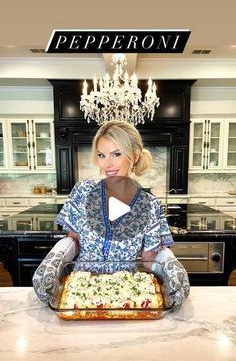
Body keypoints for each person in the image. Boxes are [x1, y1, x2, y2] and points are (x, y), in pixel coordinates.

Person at [33, 120, 190, 308]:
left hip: (127, 295)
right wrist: (56, 257)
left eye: (116, 154)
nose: (108, 164)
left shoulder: (150, 206)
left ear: (134, 155)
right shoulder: (82, 193)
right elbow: (74, 239)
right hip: (81, 290)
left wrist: (170, 264)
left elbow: (149, 258)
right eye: (101, 155)